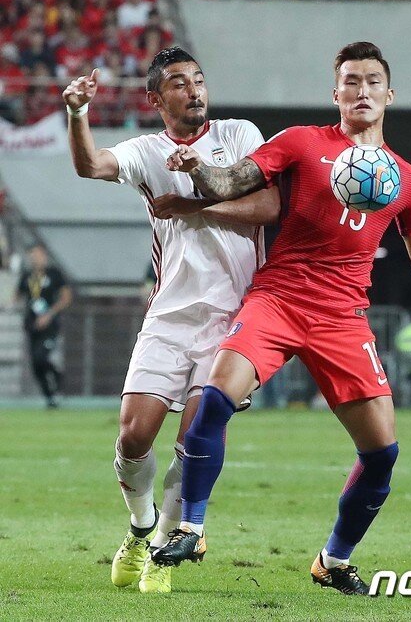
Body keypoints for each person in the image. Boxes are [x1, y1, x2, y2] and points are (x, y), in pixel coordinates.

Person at [150, 41, 411, 594]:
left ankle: (333, 559)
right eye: (351, 81)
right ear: (336, 94)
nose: (362, 90)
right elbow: (232, 182)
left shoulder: (407, 180)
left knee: (382, 454)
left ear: (389, 95)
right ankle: (192, 528)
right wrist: (199, 170)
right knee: (214, 399)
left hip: (343, 317)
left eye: (372, 81)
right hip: (278, 298)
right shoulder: (300, 142)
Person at [62, 47, 280, 594]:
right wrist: (78, 113)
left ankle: (163, 547)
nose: (194, 90)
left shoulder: (239, 136)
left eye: (199, 80)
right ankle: (140, 527)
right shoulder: (147, 151)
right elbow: (90, 165)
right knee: (133, 436)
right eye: (179, 83)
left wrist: (195, 205)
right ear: (156, 99)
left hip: (235, 318)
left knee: (197, 435)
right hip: (169, 316)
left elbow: (268, 207)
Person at [14, 243, 72, 408]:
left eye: (38, 255)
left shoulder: (54, 274)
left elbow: (66, 297)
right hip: (32, 326)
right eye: (32, 255)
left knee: (42, 357)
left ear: (44, 256)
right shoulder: (27, 276)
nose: (35, 258)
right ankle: (50, 397)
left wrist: (49, 314)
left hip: (50, 326)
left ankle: (57, 376)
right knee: (35, 364)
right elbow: (17, 296)